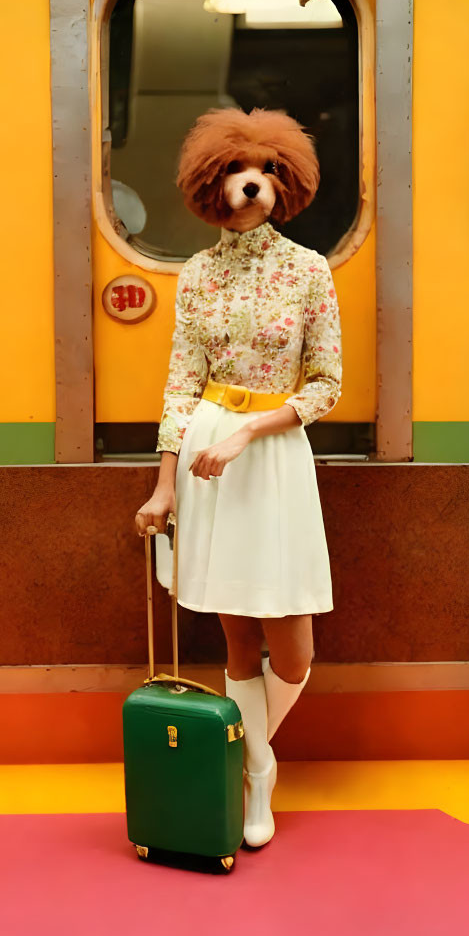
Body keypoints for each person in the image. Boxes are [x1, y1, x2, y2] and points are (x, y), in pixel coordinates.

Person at [134, 107, 342, 848]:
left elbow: (325, 384)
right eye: (232, 170)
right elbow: (181, 383)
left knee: (293, 648)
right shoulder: (196, 274)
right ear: (210, 185)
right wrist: (163, 485)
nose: (248, 181)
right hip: (207, 451)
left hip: (272, 454)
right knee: (234, 640)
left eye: (264, 171)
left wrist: (254, 428)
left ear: (282, 184)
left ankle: (250, 752)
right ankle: (256, 772)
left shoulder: (308, 269)